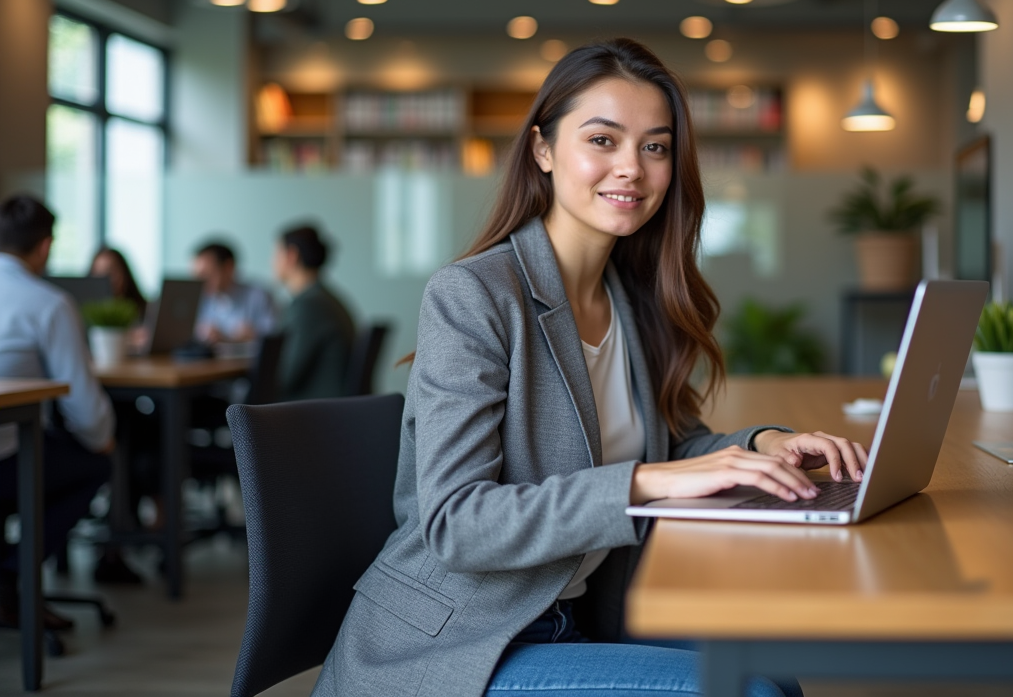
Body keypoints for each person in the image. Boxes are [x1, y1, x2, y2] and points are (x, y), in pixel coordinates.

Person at [314, 40, 868, 697]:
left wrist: (762, 445)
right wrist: (649, 482)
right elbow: (457, 521)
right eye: (603, 140)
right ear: (543, 151)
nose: (631, 167)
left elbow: (675, 446)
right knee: (747, 693)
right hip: (465, 640)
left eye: (655, 147)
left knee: (770, 672)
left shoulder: (629, 298)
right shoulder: (475, 295)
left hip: (575, 613)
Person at [0, 196, 115, 629]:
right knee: (93, 465)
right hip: (9, 456)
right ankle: (12, 574)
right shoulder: (47, 303)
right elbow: (83, 404)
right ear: (45, 246)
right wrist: (102, 439)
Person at [273, 225, 356, 401]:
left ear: (291, 255)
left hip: (314, 412)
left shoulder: (308, 306)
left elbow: (285, 376)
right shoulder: (324, 298)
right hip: (333, 407)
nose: (272, 261)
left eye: (276, 253)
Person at [191, 241, 276, 344]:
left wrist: (254, 334)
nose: (201, 281)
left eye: (207, 274)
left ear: (228, 267)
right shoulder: (200, 300)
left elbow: (274, 336)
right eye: (197, 276)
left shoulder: (259, 296)